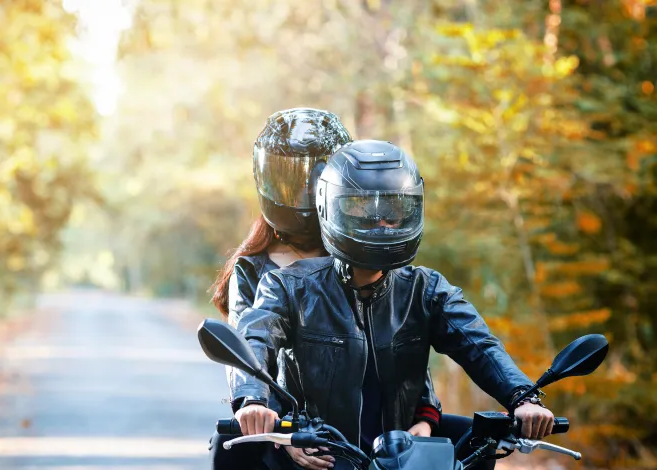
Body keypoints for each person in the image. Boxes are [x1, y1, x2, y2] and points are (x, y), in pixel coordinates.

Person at [232, 140, 555, 470]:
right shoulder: (289, 286)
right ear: (329, 208)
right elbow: (255, 340)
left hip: (402, 454)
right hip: (317, 452)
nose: (380, 224)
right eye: (361, 210)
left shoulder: (426, 290)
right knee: (233, 455)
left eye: (393, 211)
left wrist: (523, 398)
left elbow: (478, 345)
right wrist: (255, 401)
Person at [209, 112, 441, 470]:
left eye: (314, 176)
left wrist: (425, 415)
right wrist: (284, 433)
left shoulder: (363, 247)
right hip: (293, 431)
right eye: (290, 179)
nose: (302, 189)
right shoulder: (253, 267)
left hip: (380, 431)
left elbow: (402, 333)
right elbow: (251, 352)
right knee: (231, 449)